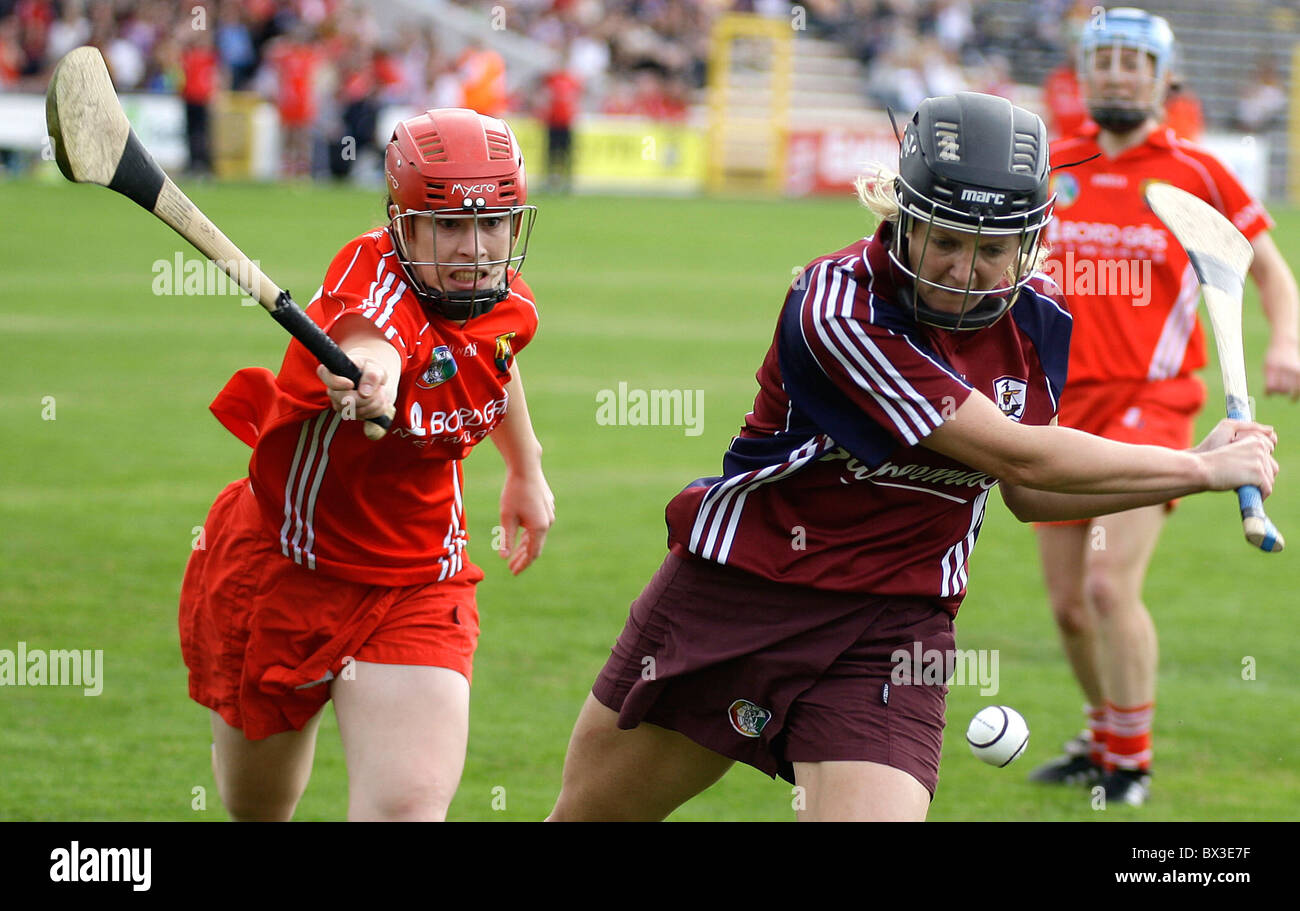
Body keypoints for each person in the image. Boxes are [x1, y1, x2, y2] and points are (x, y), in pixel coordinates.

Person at [545, 91, 1279, 822]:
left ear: (1028, 243)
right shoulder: (837, 307)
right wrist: (1197, 468)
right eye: (946, 240)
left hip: (895, 626)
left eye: (993, 249)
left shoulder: (1037, 315)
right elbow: (1021, 458)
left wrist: (1189, 463)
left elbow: (1031, 498)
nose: (966, 269)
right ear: (900, 217)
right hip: (743, 594)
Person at [179, 108, 554, 822]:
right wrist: (372, 378)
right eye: (448, 225)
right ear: (403, 222)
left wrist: (525, 468)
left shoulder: (508, 303)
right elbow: (370, 338)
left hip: (419, 579)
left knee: (407, 809)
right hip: (288, 568)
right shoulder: (369, 276)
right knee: (258, 808)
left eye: (493, 222)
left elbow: (494, 365)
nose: (475, 247)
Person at [1028, 8, 1300, 807]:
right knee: (1070, 606)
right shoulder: (1051, 165)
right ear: (1083, 70)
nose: (1116, 72)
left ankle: (1131, 761)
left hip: (1152, 403)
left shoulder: (1198, 172)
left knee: (1111, 585)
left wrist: (1285, 341)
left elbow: (1271, 273)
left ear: (1162, 75)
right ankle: (1100, 733)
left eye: (1132, 60)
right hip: (1056, 412)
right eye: (1102, 58)